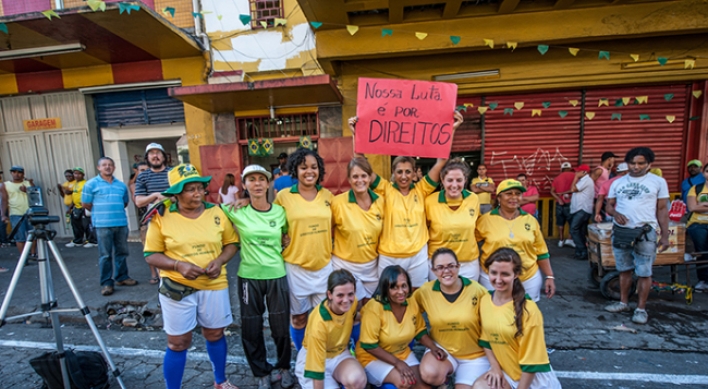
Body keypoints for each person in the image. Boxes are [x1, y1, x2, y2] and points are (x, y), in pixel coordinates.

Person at [144, 163, 239, 389]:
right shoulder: (162, 216)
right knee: (178, 342)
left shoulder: (216, 212)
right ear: (176, 193)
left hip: (214, 284)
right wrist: (178, 265)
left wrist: (220, 261)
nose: (198, 193)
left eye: (200, 188)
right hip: (177, 287)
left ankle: (220, 381)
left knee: (215, 333)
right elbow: (151, 254)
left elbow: (232, 244)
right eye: (190, 189)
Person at [349, 111, 464, 289]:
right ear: (393, 173)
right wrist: (355, 133)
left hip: (417, 255)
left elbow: (442, 160)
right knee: (389, 296)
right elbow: (361, 163)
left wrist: (451, 129)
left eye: (408, 171)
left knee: (417, 297)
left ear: (414, 173)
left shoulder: (422, 189)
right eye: (399, 172)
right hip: (389, 255)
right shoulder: (385, 189)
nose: (403, 176)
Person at [221, 165, 293, 389]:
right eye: (251, 180)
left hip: (276, 274)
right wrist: (166, 202)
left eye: (262, 179)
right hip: (249, 276)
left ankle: (283, 367)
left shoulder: (280, 211)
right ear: (244, 185)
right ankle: (260, 371)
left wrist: (286, 241)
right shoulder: (235, 210)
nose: (257, 183)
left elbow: (286, 236)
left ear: (269, 183)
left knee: (280, 326)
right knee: (251, 327)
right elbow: (205, 210)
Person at [473, 248, 562, 389]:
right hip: (508, 373)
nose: (498, 279)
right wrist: (495, 368)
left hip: (532, 380)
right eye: (494, 273)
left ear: (516, 274)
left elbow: (532, 362)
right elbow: (486, 340)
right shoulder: (485, 301)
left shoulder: (529, 310)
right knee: (480, 386)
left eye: (505, 274)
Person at [274, 148, 334, 351]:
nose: (309, 171)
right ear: (295, 170)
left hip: (324, 265)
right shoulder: (283, 197)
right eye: (303, 167)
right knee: (299, 318)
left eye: (314, 167)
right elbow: (271, 223)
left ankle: (320, 356)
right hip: (296, 267)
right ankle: (301, 355)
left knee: (322, 318)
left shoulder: (328, 196)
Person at [604, 147, 670, 324]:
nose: (636, 167)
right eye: (632, 163)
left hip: (646, 232)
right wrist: (615, 213)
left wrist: (665, 235)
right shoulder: (617, 182)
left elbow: (662, 209)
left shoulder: (658, 182)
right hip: (621, 232)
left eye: (641, 163)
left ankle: (641, 309)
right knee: (624, 269)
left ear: (649, 164)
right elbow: (609, 205)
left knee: (644, 272)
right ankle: (623, 302)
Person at [414, 248, 490, 388]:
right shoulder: (425, 292)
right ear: (433, 271)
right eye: (440, 267)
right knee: (429, 374)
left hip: (475, 356)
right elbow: (409, 314)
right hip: (443, 351)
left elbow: (493, 323)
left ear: (458, 266)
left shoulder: (477, 291)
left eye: (451, 266)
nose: (446, 271)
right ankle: (444, 380)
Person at [356, 265, 439, 389]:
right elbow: (369, 345)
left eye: (404, 286)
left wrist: (433, 347)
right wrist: (397, 363)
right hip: (371, 358)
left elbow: (419, 331)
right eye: (394, 287)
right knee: (404, 382)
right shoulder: (373, 308)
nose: (401, 292)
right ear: (385, 288)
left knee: (424, 386)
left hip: (402, 353)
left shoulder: (410, 302)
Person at [475, 179, 556, 302]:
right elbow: (471, 243)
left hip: (528, 278)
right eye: (509, 193)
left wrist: (550, 276)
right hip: (493, 278)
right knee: (495, 314)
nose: (514, 197)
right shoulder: (485, 220)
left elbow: (541, 251)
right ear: (499, 198)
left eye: (518, 194)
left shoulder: (530, 220)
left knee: (525, 314)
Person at [294, 270, 367, 389]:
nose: (346, 300)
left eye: (350, 294)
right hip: (313, 359)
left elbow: (353, 316)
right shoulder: (319, 323)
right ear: (329, 295)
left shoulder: (352, 304)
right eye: (340, 295)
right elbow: (316, 369)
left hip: (339, 354)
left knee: (357, 381)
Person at [331, 157, 384, 303]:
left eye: (363, 176)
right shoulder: (337, 203)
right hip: (345, 265)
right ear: (349, 179)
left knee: (370, 307)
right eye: (355, 176)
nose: (360, 180)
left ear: (369, 177)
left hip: (372, 266)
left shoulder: (380, 201)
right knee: (352, 309)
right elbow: (326, 230)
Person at [81, 157, 136, 296]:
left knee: (122, 252)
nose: (107, 167)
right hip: (102, 225)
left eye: (110, 165)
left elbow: (124, 203)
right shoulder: (91, 184)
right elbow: (86, 204)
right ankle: (106, 283)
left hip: (121, 223)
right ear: (98, 167)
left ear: (114, 167)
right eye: (104, 165)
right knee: (105, 255)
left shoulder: (121, 185)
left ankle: (122, 277)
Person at [425, 158, 481, 281]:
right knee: (438, 299)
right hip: (438, 263)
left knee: (468, 298)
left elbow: (477, 228)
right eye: (450, 180)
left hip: (468, 262)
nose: (454, 185)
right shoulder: (429, 201)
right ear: (442, 180)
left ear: (465, 180)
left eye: (459, 180)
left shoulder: (473, 199)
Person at [135, 143, 172, 284]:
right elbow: (139, 201)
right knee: (156, 251)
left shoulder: (172, 173)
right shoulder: (143, 177)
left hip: (175, 217)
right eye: (152, 153)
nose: (155, 156)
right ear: (147, 157)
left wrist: (169, 198)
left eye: (158, 153)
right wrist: (156, 195)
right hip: (154, 220)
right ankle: (164, 285)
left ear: (164, 156)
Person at [1, 166, 36, 264]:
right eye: (14, 172)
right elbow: (4, 200)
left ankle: (33, 254)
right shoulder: (5, 185)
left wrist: (28, 191)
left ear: (23, 174)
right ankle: (23, 258)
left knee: (33, 234)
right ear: (11, 173)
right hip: (15, 213)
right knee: (19, 237)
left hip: (30, 212)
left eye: (19, 172)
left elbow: (36, 196)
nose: (17, 174)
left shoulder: (28, 183)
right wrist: (3, 214)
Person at [686, 162, 708, 291]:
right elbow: (692, 207)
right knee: (702, 253)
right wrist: (698, 206)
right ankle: (703, 280)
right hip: (697, 224)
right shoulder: (696, 188)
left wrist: (703, 205)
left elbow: (697, 206)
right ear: (704, 173)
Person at [569, 164, 595, 261]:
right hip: (580, 209)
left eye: (578, 171)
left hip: (582, 209)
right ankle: (581, 252)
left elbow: (573, 189)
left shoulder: (586, 180)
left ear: (584, 172)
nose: (576, 173)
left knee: (574, 229)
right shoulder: (583, 181)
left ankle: (582, 250)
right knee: (580, 231)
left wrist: (575, 178)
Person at [66, 167, 97, 248]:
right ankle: (78, 240)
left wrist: (89, 205)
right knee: (76, 225)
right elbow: (74, 195)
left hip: (84, 207)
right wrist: (70, 207)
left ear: (83, 175)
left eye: (79, 174)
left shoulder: (86, 184)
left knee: (87, 225)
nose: (76, 175)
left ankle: (92, 241)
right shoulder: (75, 184)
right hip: (76, 207)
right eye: (75, 173)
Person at [551, 162, 575, 248]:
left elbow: (552, 191)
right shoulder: (574, 176)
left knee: (560, 222)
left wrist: (559, 199)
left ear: (561, 169)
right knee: (572, 222)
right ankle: (569, 238)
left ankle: (561, 240)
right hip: (570, 202)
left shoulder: (557, 178)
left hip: (559, 203)